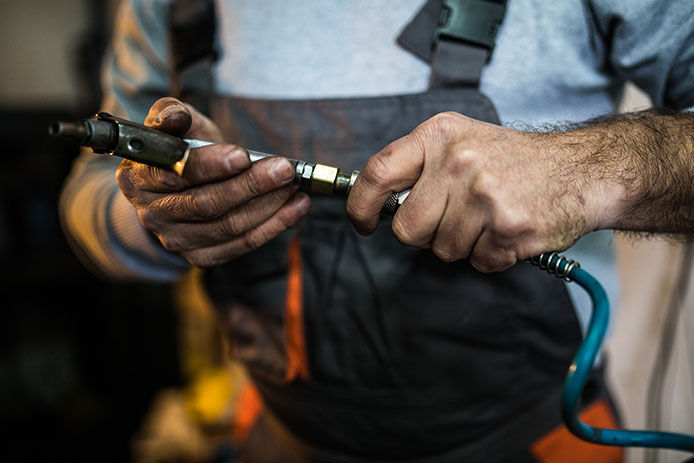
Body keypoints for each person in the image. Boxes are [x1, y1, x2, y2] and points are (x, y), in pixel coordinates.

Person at [59, 0, 694, 461]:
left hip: (534, 441)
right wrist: (155, 219)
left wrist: (584, 170)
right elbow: (90, 191)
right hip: (277, 436)